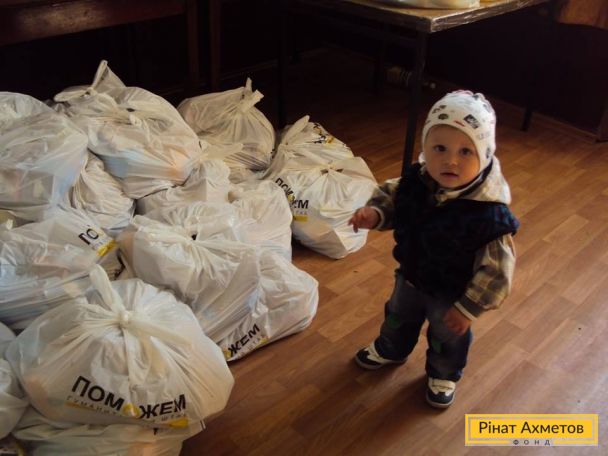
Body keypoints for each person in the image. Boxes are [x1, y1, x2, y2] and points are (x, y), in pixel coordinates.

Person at [348, 90, 519, 409]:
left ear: (485, 155)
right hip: (411, 275)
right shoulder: (418, 181)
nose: (451, 160)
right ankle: (391, 348)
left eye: (466, 151)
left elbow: (498, 271)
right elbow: (394, 196)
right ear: (425, 147)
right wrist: (375, 213)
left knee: (447, 337)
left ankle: (444, 372)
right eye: (440, 148)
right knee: (398, 315)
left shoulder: (490, 216)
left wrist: (469, 308)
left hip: (453, 296)